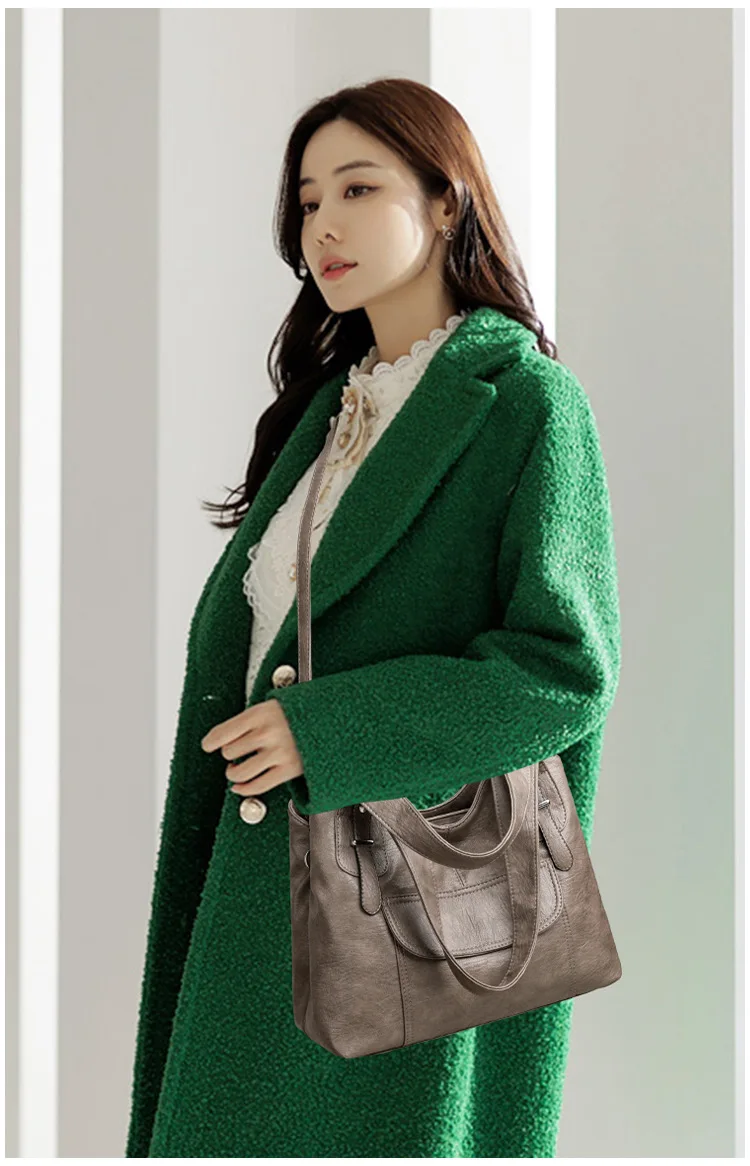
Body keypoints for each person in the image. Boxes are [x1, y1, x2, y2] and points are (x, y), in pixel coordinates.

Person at [125, 77, 621, 1158]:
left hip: (411, 909)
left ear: (446, 202)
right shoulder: (326, 412)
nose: (323, 227)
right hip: (257, 889)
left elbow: (565, 669)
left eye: (358, 188)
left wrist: (329, 731)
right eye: (307, 201)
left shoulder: (527, 402)